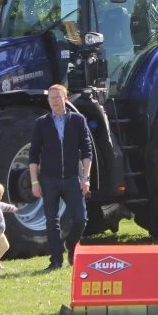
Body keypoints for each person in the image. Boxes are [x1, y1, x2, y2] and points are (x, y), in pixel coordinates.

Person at [28, 83, 93, 271]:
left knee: (81, 218)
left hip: (73, 177)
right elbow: (33, 155)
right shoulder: (41, 123)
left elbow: (87, 151)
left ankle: (72, 245)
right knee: (51, 221)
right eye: (51, 98)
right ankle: (56, 260)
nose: (54, 101)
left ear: (65, 98)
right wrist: (34, 182)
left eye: (57, 97)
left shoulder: (78, 120)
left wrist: (86, 178)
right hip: (49, 179)